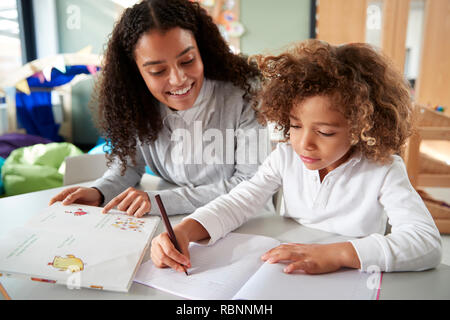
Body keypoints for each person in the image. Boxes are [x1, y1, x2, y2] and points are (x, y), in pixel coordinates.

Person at [150, 39, 442, 275]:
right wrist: (185, 231)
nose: (304, 144)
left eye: (325, 132)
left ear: (360, 129)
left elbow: (426, 243)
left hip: (354, 277)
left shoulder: (384, 170)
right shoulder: (285, 157)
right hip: (289, 269)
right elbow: (240, 202)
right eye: (295, 126)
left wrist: (339, 253)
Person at [49, 0, 270, 217]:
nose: (178, 79)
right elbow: (127, 168)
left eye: (188, 60)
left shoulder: (244, 96)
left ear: (202, 51)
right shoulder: (136, 103)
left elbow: (249, 184)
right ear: (137, 72)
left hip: (244, 221)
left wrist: (161, 202)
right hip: (172, 222)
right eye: (157, 71)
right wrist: (99, 191)